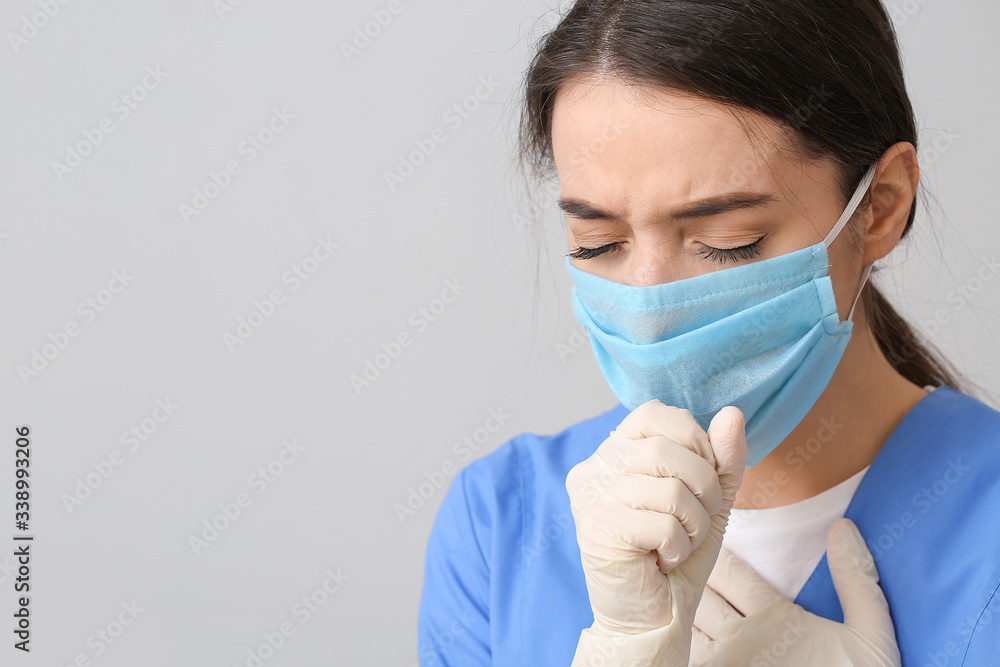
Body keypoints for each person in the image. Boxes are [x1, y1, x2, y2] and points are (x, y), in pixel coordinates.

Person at [418, 1, 1000, 665]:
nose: (649, 301)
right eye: (599, 241)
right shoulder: (501, 526)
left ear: (880, 205)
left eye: (727, 242)